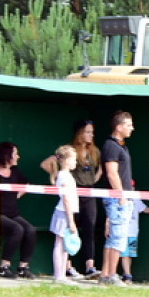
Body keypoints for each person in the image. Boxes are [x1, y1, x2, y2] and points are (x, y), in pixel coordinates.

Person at [40, 119, 102, 279]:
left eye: (92, 132)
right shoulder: (69, 152)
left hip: (89, 193)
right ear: (80, 133)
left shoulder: (94, 152)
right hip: (72, 196)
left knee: (89, 228)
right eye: (87, 132)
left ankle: (90, 266)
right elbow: (46, 164)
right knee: (68, 232)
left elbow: (100, 170)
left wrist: (93, 180)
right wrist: (55, 172)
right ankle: (67, 268)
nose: (91, 135)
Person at [0, 141, 36, 280]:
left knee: (30, 230)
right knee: (17, 229)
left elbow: (26, 184)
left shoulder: (15, 172)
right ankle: (4, 266)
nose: (18, 157)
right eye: (15, 154)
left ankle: (23, 267)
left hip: (13, 214)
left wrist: (16, 195)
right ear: (6, 155)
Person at [98, 111, 134, 287]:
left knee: (114, 237)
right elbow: (112, 173)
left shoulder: (121, 145)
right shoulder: (111, 146)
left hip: (121, 197)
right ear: (119, 127)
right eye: (128, 125)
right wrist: (121, 196)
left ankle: (105, 274)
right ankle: (111, 275)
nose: (132, 129)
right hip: (117, 199)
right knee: (118, 238)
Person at [48, 145, 79, 286]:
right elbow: (66, 199)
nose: (75, 162)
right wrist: (71, 221)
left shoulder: (67, 175)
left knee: (64, 245)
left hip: (67, 212)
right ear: (66, 161)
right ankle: (58, 275)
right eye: (74, 160)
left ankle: (62, 274)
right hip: (63, 213)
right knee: (60, 244)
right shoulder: (63, 176)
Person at [119, 193, 149, 284]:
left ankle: (127, 274)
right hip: (123, 232)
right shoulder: (121, 198)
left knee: (130, 255)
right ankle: (127, 275)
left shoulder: (136, 199)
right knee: (124, 255)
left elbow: (144, 209)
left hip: (133, 233)